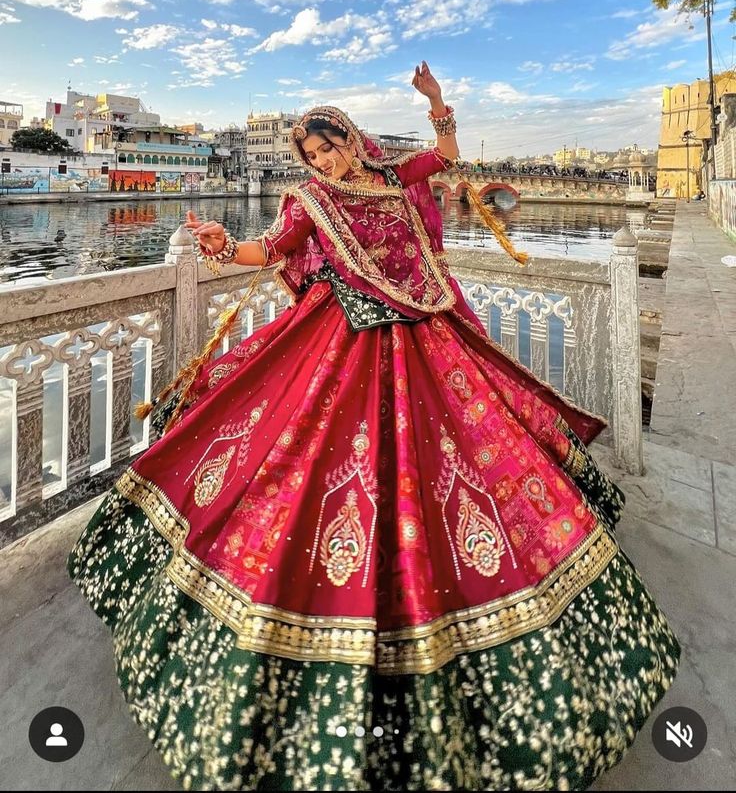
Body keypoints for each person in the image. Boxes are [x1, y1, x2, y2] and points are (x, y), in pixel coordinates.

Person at [67, 61, 680, 791]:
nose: (326, 161)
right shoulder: (309, 200)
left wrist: (437, 104)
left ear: (352, 137)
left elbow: (447, 160)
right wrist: (223, 245)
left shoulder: (392, 176)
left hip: (422, 338)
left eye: (331, 147)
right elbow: (274, 251)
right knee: (311, 471)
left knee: (462, 467)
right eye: (315, 155)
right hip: (343, 339)